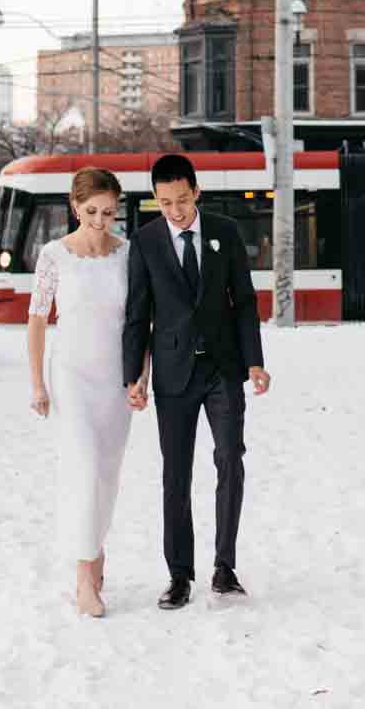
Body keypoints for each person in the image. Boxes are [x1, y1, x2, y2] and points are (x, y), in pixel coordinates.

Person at [122, 153, 271, 611]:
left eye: (182, 200)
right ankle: (179, 575)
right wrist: (134, 376)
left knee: (230, 459)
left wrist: (254, 362)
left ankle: (224, 567)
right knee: (176, 474)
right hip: (173, 374)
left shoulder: (225, 232)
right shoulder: (145, 241)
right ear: (155, 199)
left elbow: (244, 302)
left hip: (223, 369)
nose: (176, 210)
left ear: (196, 192)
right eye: (165, 202)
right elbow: (137, 314)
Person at [27, 167, 138, 618]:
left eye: (109, 212)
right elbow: (36, 319)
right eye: (91, 211)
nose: (99, 220)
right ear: (75, 207)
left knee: (106, 475)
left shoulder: (128, 254)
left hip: (115, 377)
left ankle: (97, 553)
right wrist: (37, 384)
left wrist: (139, 377)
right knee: (85, 468)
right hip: (71, 374)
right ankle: (83, 578)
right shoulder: (54, 255)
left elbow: (139, 322)